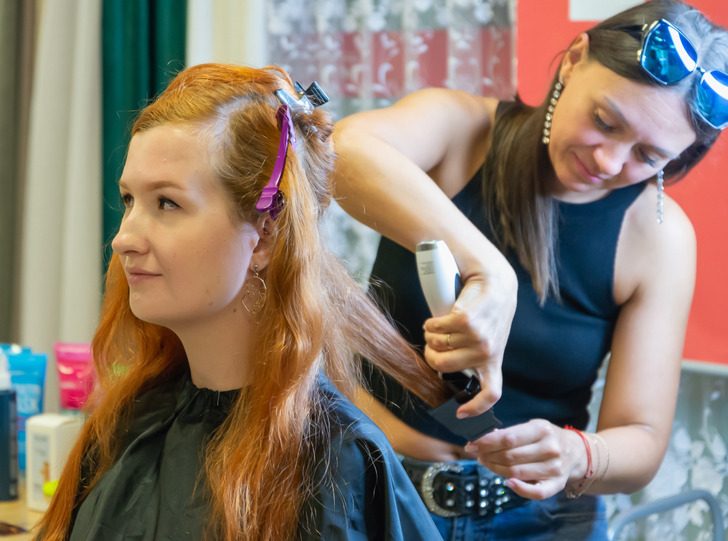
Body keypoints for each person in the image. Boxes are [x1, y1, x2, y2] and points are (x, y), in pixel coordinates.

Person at [331, 0, 728, 539]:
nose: (610, 161)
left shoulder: (658, 238)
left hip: (537, 520)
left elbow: (640, 439)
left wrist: (577, 453)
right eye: (605, 121)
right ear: (575, 61)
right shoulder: (460, 133)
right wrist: (488, 271)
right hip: (371, 489)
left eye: (649, 157)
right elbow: (343, 150)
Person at [35, 64, 448, 541]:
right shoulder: (127, 425)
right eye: (129, 200)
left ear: (265, 236)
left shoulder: (335, 465)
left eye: (167, 203)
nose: (123, 239)